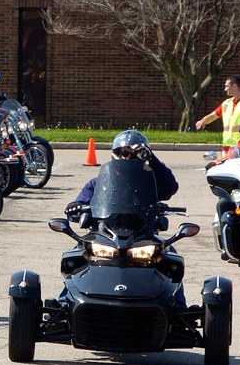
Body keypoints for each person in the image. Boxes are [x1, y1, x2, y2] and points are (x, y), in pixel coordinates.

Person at [63, 130, 188, 308]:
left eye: (136, 154)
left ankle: (179, 309)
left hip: (143, 236)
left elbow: (170, 187)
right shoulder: (97, 183)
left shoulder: (150, 182)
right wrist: (75, 206)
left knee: (171, 263)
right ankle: (65, 305)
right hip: (102, 236)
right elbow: (76, 208)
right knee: (76, 261)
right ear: (115, 154)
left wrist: (153, 159)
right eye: (124, 153)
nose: (129, 158)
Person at [194, 76, 240, 153]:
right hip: (227, 147)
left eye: (227, 86)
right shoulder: (226, 103)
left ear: (234, 86)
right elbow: (213, 116)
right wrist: (203, 121)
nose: (225, 89)